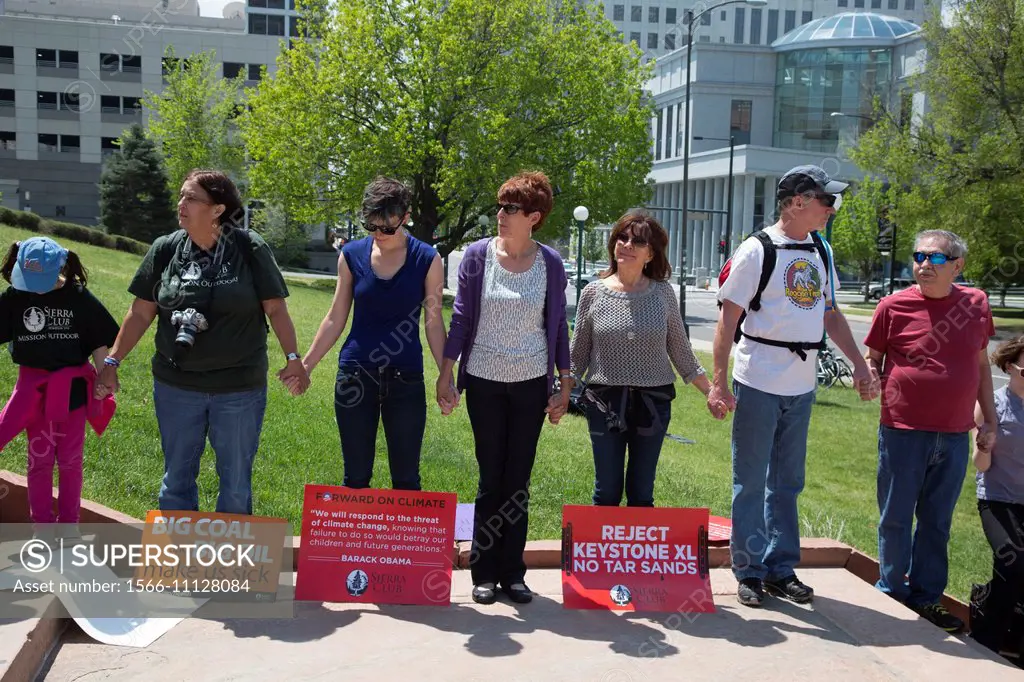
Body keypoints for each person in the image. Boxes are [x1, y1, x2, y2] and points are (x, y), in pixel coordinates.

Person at [710, 165, 877, 608]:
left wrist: (860, 365)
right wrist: (719, 384)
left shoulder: (821, 249)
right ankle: (748, 569)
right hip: (759, 380)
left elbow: (830, 313)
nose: (832, 208)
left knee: (788, 481)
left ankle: (780, 568)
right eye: (827, 200)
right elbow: (727, 323)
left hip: (801, 386)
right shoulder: (756, 250)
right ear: (798, 201)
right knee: (750, 479)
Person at [97, 169, 307, 515]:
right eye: (181, 196)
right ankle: (180, 565)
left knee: (236, 484)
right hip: (176, 384)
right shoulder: (165, 249)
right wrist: (111, 362)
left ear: (218, 209)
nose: (182, 204)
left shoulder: (248, 247)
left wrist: (294, 358)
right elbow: (140, 314)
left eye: (192, 198)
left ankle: (230, 567)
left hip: (238, 387)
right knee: (176, 480)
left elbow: (276, 308)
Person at [439, 170, 570, 605]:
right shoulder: (477, 257)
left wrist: (564, 384)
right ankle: (484, 570)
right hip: (484, 383)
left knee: (519, 479)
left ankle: (514, 573)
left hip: (532, 383)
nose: (501, 214)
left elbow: (558, 329)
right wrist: (446, 371)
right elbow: (459, 319)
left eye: (511, 208)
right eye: (500, 206)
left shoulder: (550, 263)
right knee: (490, 476)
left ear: (533, 216)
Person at [864, 229, 996, 633]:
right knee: (896, 518)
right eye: (919, 257)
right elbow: (873, 359)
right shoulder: (892, 306)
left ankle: (926, 599)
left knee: (937, 522)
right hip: (903, 430)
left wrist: (988, 419)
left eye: (935, 258)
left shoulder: (976, 304)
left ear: (957, 265)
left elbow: (981, 367)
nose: (924, 265)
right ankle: (891, 593)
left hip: (955, 434)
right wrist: (870, 377)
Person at [299, 176, 450, 490]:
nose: (379, 234)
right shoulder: (351, 256)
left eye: (388, 228)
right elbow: (335, 317)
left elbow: (433, 322)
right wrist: (306, 366)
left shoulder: (427, 259)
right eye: (372, 226)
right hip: (355, 377)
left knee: (407, 480)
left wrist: (445, 375)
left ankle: (405, 540)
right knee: (355, 479)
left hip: (406, 380)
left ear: (405, 217)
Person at [570, 211, 724, 508]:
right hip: (604, 403)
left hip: (653, 404)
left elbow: (680, 351)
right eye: (621, 238)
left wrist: (710, 392)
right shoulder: (592, 293)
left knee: (641, 494)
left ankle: (637, 555)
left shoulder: (663, 293)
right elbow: (577, 356)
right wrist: (562, 393)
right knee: (607, 492)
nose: (626, 245)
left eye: (637, 242)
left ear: (650, 253)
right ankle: (602, 554)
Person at [0, 237, 119, 531]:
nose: (34, 287)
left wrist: (106, 374)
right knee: (39, 462)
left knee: (70, 463)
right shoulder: (16, 296)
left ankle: (69, 527)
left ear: (60, 269)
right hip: (33, 394)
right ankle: (41, 527)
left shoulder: (78, 297)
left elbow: (99, 340)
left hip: (72, 395)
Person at [970, 335, 1024, 656]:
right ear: (1009, 367)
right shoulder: (994, 406)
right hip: (997, 499)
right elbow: (979, 465)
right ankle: (987, 641)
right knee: (1014, 561)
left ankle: (1012, 642)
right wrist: (983, 447)